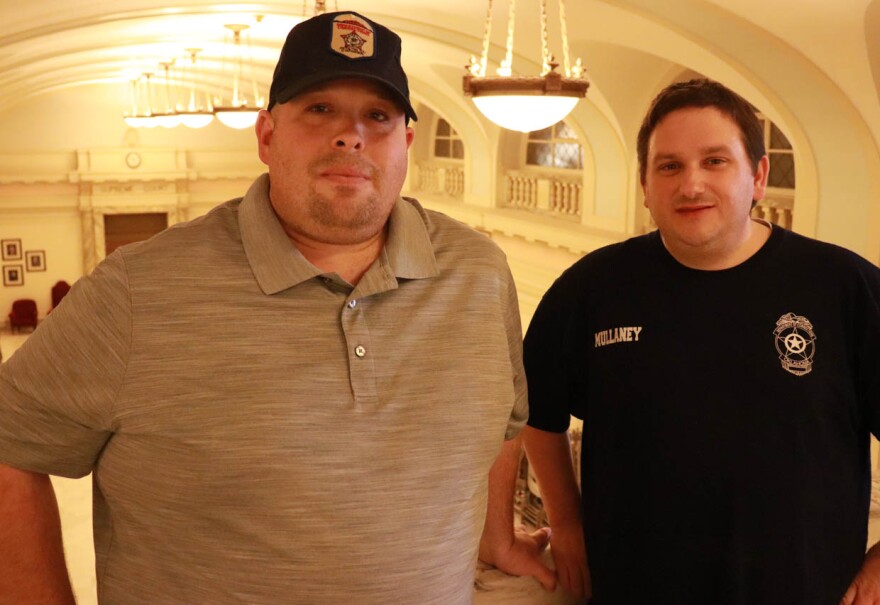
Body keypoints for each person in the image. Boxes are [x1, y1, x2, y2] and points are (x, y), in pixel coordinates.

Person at [0, 11, 532, 603]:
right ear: (266, 136)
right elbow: (8, 448)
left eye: (377, 116)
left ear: (406, 143)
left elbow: (502, 423)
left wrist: (497, 539)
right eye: (319, 109)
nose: (350, 135)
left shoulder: (480, 275)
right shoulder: (137, 290)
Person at [483, 78, 880, 604]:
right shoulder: (593, 288)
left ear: (758, 176)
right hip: (633, 589)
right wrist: (568, 520)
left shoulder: (844, 286)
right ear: (645, 186)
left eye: (715, 161)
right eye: (669, 166)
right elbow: (533, 411)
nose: (691, 185)